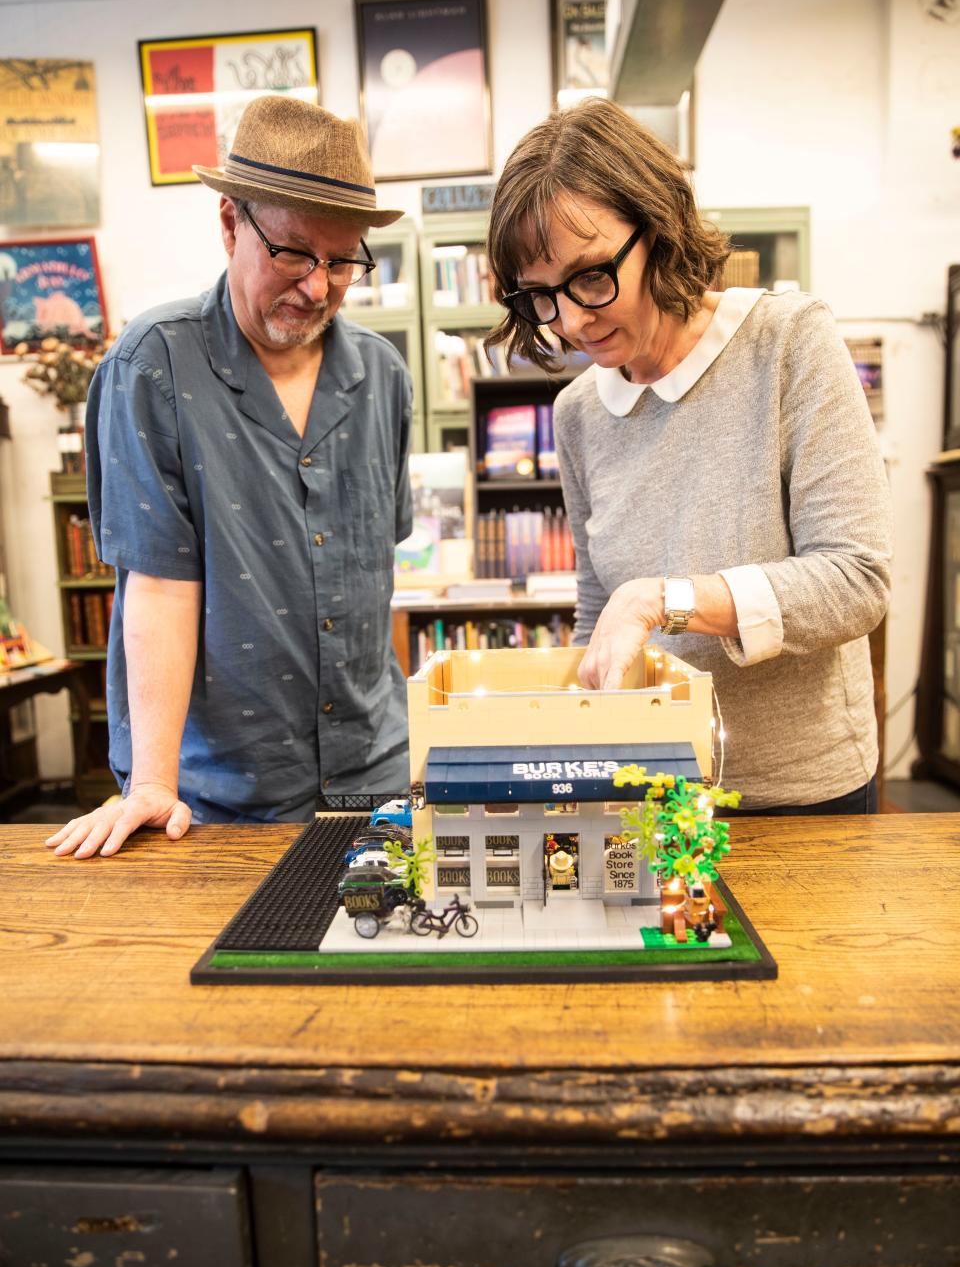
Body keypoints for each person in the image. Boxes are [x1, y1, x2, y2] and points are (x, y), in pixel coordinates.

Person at [485, 97, 891, 814]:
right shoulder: (578, 412)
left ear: (660, 227)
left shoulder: (789, 343)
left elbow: (855, 581)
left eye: (590, 276)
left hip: (797, 795)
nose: (573, 319)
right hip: (647, 792)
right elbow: (594, 601)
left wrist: (659, 598)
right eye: (541, 297)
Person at [48, 95, 413, 859]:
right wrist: (151, 781)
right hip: (221, 794)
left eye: (342, 260)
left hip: (373, 776)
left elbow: (377, 583)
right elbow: (157, 582)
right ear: (228, 223)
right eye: (291, 253)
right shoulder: (152, 365)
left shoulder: (383, 375)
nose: (318, 286)